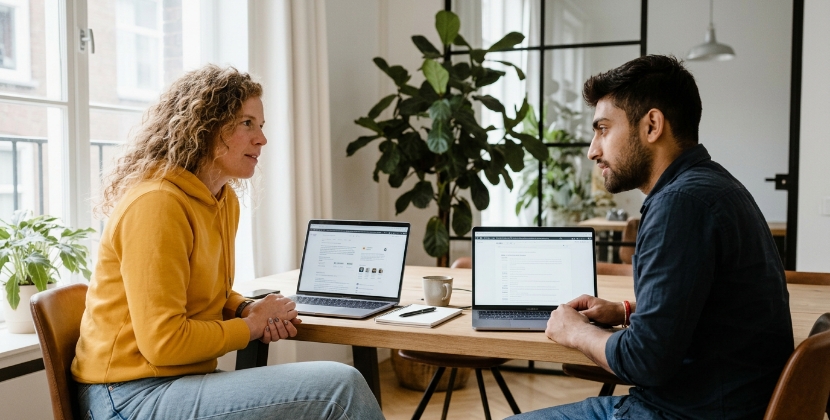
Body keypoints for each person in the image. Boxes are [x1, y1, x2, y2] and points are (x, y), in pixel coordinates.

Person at [71, 65, 384, 419]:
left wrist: (245, 308)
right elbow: (163, 343)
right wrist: (250, 325)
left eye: (261, 126)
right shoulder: (156, 204)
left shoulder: (222, 200)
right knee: (340, 387)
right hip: (128, 395)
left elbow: (210, 296)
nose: (261, 139)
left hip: (177, 381)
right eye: (246, 123)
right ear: (204, 127)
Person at [510, 55, 793, 419]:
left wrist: (575, 332)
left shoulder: (679, 204)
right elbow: (712, 306)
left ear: (652, 125)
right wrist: (627, 311)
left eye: (603, 129)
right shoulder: (714, 185)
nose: (593, 150)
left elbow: (644, 362)